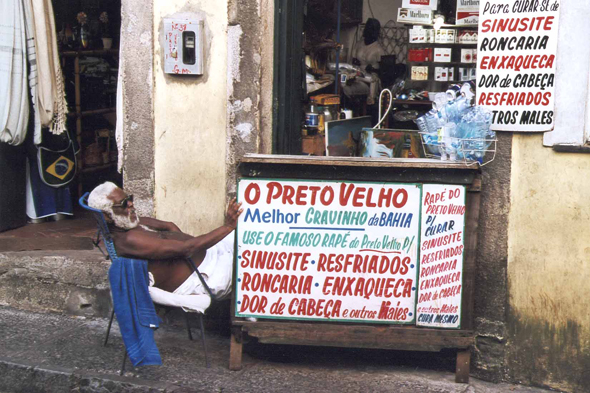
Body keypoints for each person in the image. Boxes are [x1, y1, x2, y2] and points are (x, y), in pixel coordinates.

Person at [88, 181, 243, 311]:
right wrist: (227, 227)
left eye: (129, 198)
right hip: (205, 276)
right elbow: (187, 249)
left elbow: (169, 226)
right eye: (123, 203)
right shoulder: (129, 239)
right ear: (107, 216)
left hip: (211, 256)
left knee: (250, 228)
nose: (131, 204)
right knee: (258, 259)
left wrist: (185, 246)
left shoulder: (130, 222)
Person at [344, 18, 386, 106]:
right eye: (368, 28)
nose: (369, 31)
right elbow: (353, 61)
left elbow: (384, 69)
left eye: (372, 29)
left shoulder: (378, 48)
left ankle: (371, 100)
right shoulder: (359, 44)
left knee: (373, 79)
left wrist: (373, 69)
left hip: (371, 78)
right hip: (359, 74)